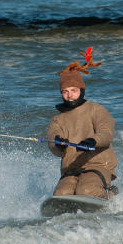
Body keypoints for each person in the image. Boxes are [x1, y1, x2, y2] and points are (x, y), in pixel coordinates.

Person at [46, 50, 116, 198]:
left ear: (82, 90)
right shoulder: (57, 119)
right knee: (61, 194)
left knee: (86, 191)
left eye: (73, 90)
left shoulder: (96, 110)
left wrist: (93, 140)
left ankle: (111, 193)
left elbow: (106, 134)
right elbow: (52, 141)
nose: (69, 95)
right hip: (71, 168)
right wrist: (58, 144)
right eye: (65, 91)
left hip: (97, 164)